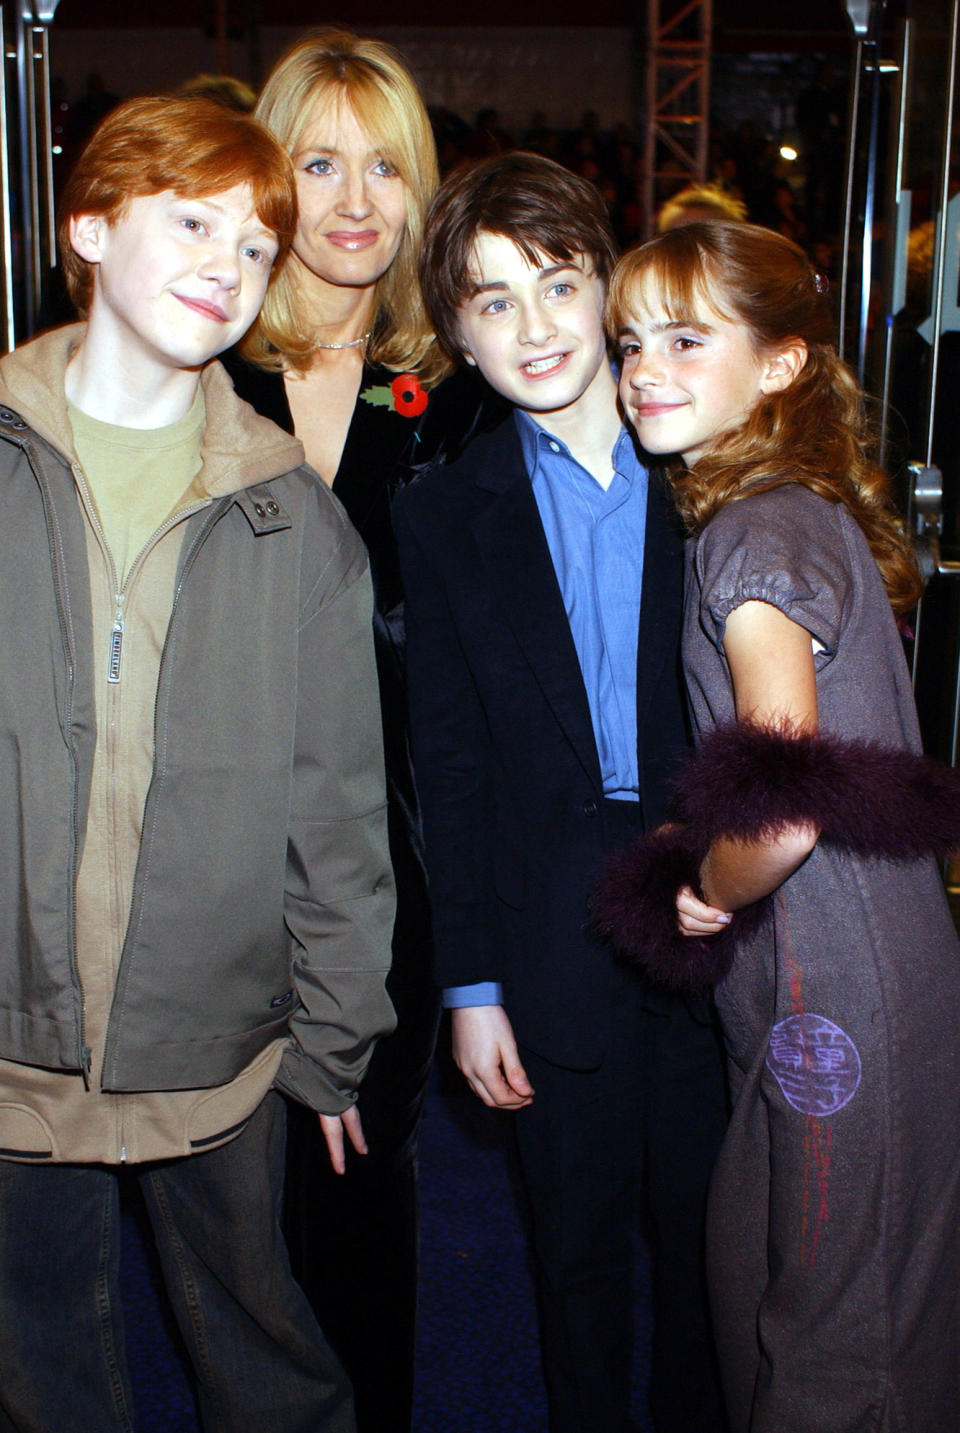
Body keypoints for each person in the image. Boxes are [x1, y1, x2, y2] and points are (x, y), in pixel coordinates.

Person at [0, 94, 396, 1433]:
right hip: (11, 1042)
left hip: (217, 1041)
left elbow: (334, 807)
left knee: (263, 1348)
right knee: (38, 1360)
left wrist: (336, 1037)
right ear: (92, 228)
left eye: (253, 246)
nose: (229, 268)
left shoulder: (294, 519)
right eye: (194, 225)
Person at [597, 220, 960, 1432]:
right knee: (790, 1269)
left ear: (780, 365)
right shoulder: (779, 506)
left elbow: (786, 802)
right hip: (852, 955)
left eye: (689, 338)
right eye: (632, 340)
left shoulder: (753, 531)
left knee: (834, 1325)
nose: (644, 366)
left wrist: (703, 879)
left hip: (833, 970)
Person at [393, 151, 729, 1433]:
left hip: (719, 906)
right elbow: (453, 770)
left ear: (607, 285)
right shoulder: (444, 514)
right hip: (548, 927)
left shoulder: (711, 474)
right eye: (491, 302)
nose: (533, 328)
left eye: (556, 284)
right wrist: (471, 989)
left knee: (718, 1257)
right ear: (459, 338)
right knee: (574, 1259)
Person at [221, 30, 501, 1433]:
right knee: (226, 1202)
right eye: (318, 160)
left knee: (355, 1178)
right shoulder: (202, 368)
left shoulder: (457, 393)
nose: (351, 199)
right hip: (203, 855)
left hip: (388, 863)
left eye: (384, 165)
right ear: (268, 178)